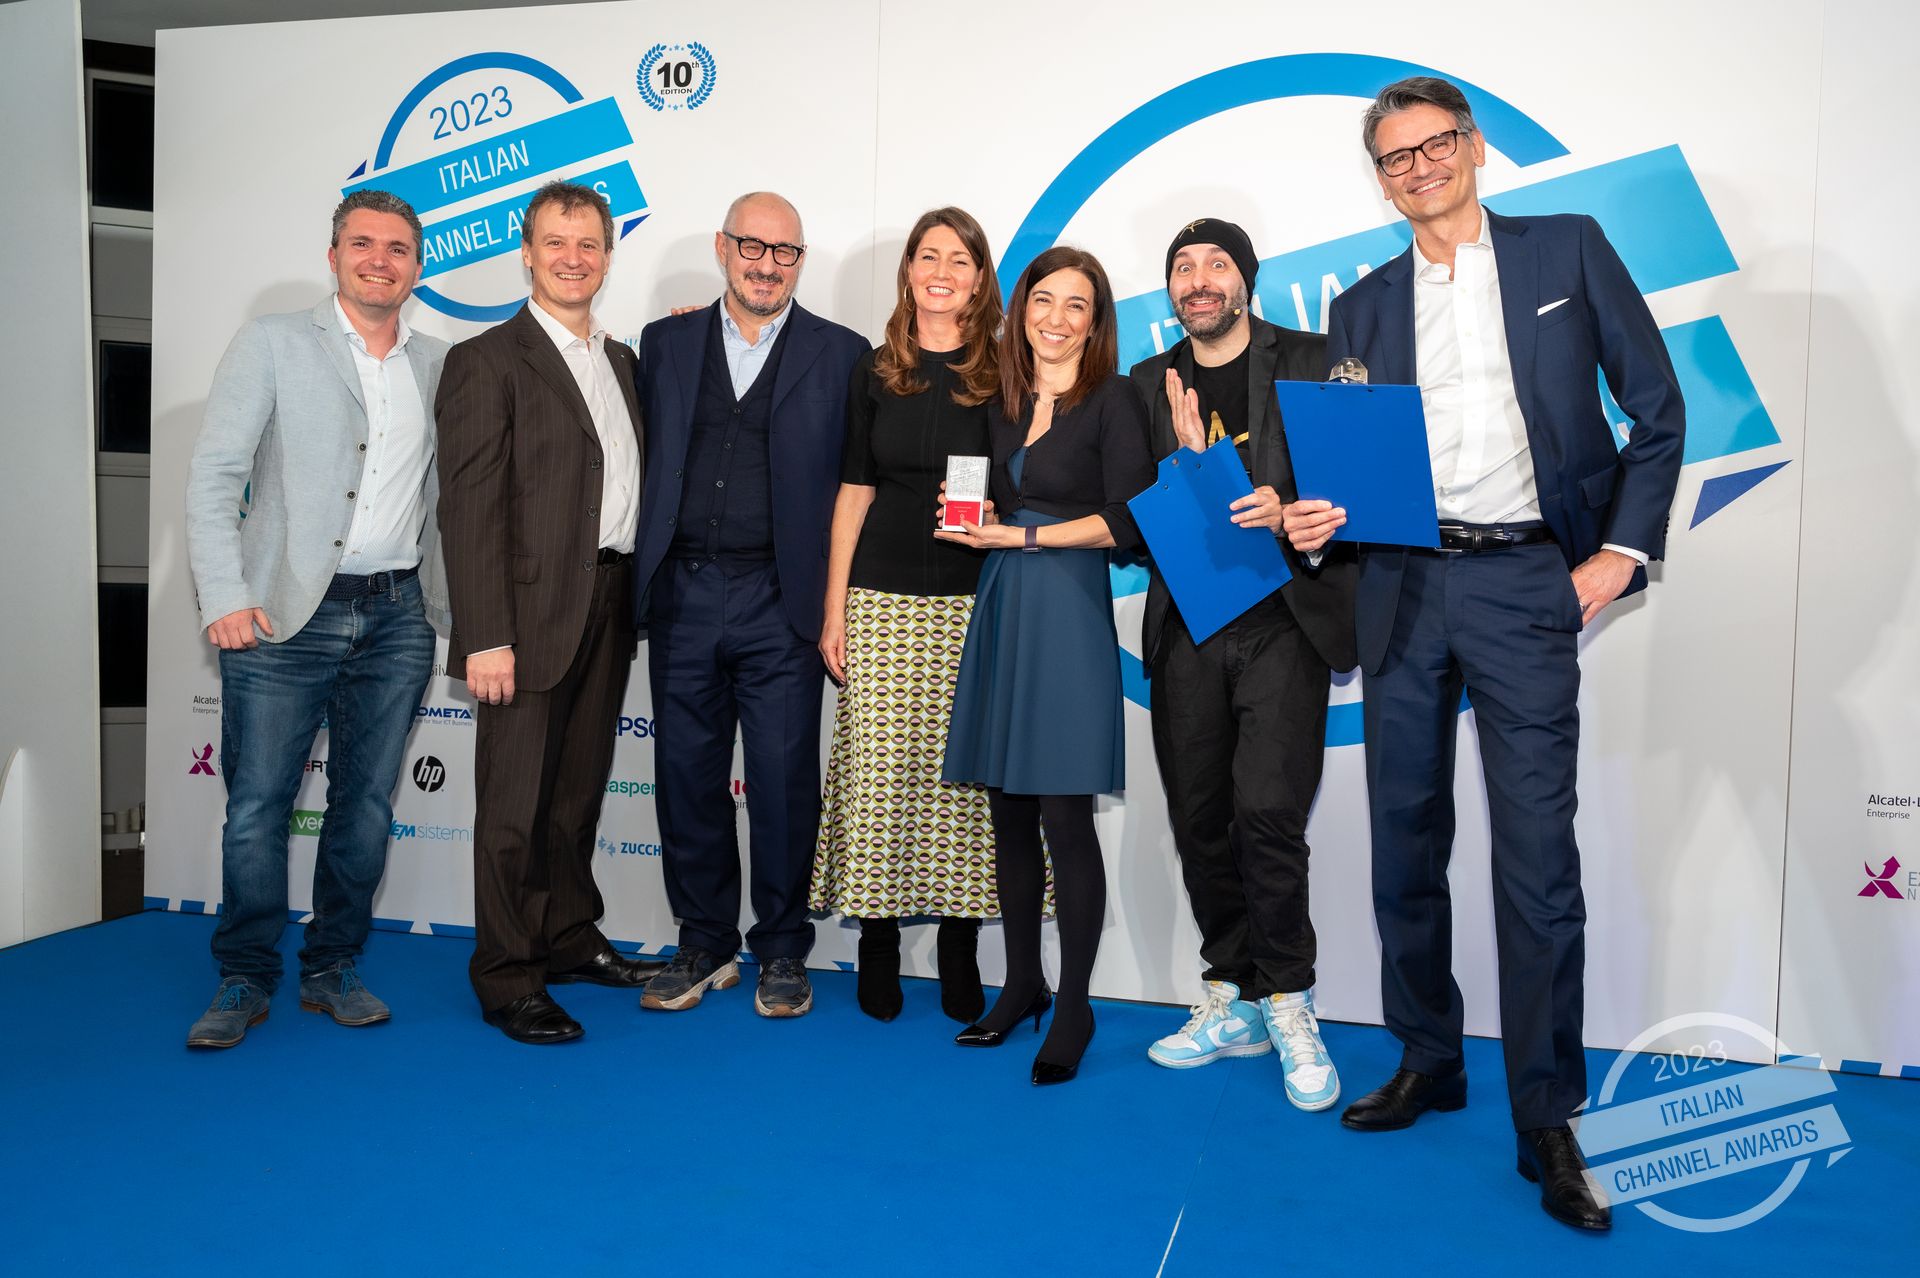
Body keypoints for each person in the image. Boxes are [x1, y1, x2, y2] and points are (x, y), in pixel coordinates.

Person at [1285, 77, 1684, 1229]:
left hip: (1524, 581)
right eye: (1395, 157)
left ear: (1473, 147)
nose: (1419, 168)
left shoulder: (1567, 249)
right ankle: (1429, 1057)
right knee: (1404, 840)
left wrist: (1617, 556)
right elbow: (1348, 474)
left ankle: (1547, 1114)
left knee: (1538, 860)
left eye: (1436, 144)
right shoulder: (1359, 309)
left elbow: (1656, 411)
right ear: (1380, 178)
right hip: (1402, 583)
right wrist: (1319, 519)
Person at [182, 190, 448, 1048]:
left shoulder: (441, 364)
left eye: (398, 248)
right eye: (362, 243)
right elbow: (216, 475)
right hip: (276, 617)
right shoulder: (270, 342)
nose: (380, 260)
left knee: (363, 806)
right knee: (258, 807)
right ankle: (245, 973)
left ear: (418, 265)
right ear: (333, 256)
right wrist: (223, 594)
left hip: (398, 617)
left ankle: (333, 967)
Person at [1126, 219, 1357, 1108]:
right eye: (1182, 267)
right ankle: (1234, 992)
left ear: (1246, 280)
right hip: (1189, 625)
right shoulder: (1146, 384)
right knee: (1201, 818)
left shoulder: (1314, 360)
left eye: (1217, 263)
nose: (1199, 279)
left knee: (1266, 812)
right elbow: (1128, 517)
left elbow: (1359, 483)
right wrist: (1194, 474)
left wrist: (1289, 507)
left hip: (1285, 621)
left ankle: (1290, 1000)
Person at [436, 180, 664, 1045]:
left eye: (589, 244)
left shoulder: (623, 361)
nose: (574, 259)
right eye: (557, 243)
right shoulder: (487, 359)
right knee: (513, 810)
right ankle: (507, 976)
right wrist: (486, 635)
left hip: (610, 602)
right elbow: (468, 510)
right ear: (526, 253)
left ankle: (567, 937)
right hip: (524, 620)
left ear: (608, 256)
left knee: (574, 798)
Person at [631, 192, 867, 1018]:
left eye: (785, 251)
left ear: (801, 261)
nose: (767, 265)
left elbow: (859, 484)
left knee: (783, 781)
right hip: (683, 594)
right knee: (685, 777)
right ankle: (703, 942)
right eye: (752, 246)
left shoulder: (844, 354)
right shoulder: (663, 343)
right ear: (722, 247)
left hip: (783, 598)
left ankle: (782, 948)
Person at [939, 246, 1155, 1085]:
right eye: (1043, 300)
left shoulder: (1115, 398)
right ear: (1020, 309)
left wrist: (1023, 535)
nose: (1056, 319)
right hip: (1003, 598)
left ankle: (1075, 1003)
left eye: (1076, 305)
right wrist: (973, 516)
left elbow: (1129, 518)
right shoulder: (1003, 399)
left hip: (1066, 605)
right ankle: (1021, 982)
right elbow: (1001, 498)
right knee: (1008, 809)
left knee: (1065, 814)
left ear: (1096, 322)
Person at [809, 208, 1008, 1024]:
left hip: (972, 601)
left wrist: (1002, 511)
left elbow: (1027, 484)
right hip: (879, 600)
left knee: (963, 783)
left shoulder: (1005, 370)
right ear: (909, 271)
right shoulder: (875, 368)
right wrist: (834, 610)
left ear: (979, 277)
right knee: (878, 781)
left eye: (959, 259)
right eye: (929, 256)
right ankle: (878, 943)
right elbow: (853, 490)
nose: (942, 271)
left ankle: (960, 947)